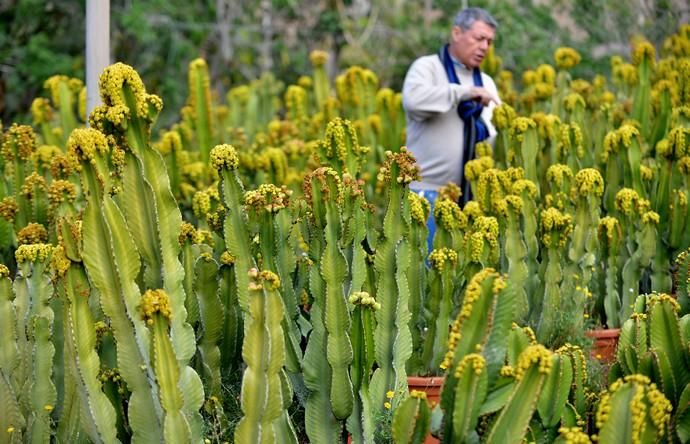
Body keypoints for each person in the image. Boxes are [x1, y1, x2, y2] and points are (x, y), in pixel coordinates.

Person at [402, 7, 501, 247]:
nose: (485, 47)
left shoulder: (486, 82)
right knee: (422, 276)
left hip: (471, 199)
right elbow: (414, 102)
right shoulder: (427, 68)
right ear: (457, 33)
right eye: (479, 38)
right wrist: (463, 93)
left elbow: (497, 130)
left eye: (489, 41)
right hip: (426, 195)